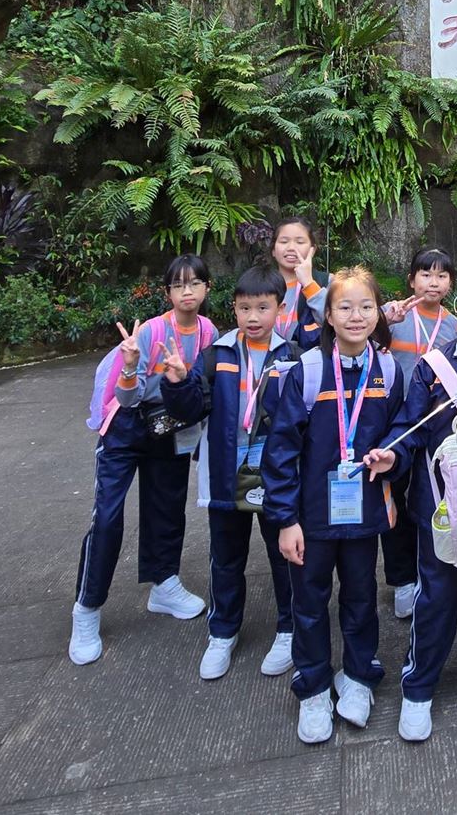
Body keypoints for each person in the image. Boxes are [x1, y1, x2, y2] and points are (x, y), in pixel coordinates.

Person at [363, 277, 457, 742]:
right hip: (442, 504)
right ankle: (419, 686)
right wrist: (391, 454)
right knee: (437, 595)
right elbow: (409, 425)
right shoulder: (434, 367)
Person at [262, 267, 405, 744]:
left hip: (363, 514)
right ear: (327, 315)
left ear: (378, 312)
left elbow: (400, 430)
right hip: (312, 519)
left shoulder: (388, 370)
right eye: (345, 307)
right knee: (308, 603)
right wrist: (285, 520)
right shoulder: (306, 371)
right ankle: (313, 687)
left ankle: (359, 677)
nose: (356, 316)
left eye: (366, 306)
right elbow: (280, 452)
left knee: (362, 598)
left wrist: (393, 456)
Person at [69, 255, 216, 666]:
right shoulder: (150, 332)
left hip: (168, 426)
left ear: (207, 288)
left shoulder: (208, 332)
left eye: (195, 283)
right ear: (167, 292)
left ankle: (164, 584)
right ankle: (86, 608)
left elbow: (200, 389)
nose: (187, 292)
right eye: (178, 285)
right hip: (125, 427)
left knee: (167, 508)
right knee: (107, 518)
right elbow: (126, 397)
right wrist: (132, 366)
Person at [157, 265, 296, 682]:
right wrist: (177, 383)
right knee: (226, 558)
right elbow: (190, 411)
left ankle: (289, 629)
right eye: (244, 308)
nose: (253, 317)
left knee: (284, 555)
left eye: (262, 308)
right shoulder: (216, 355)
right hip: (225, 475)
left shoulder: (291, 357)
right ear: (233, 308)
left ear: (279, 308)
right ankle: (222, 631)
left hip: (275, 478)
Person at [381, 247, 457, 619]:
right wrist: (383, 321)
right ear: (411, 280)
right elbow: (360, 340)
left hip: (437, 425)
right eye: (426, 274)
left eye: (442, 275)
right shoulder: (395, 315)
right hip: (395, 422)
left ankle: (430, 571)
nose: (433, 282)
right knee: (394, 496)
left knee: (432, 499)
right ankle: (402, 580)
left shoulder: (456, 324)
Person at [269, 214, 327, 349]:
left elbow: (337, 322)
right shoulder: (261, 285)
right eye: (284, 242)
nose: (291, 247)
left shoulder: (328, 282)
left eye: (300, 242)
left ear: (313, 249)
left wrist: (308, 283)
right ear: (273, 250)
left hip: (313, 359)